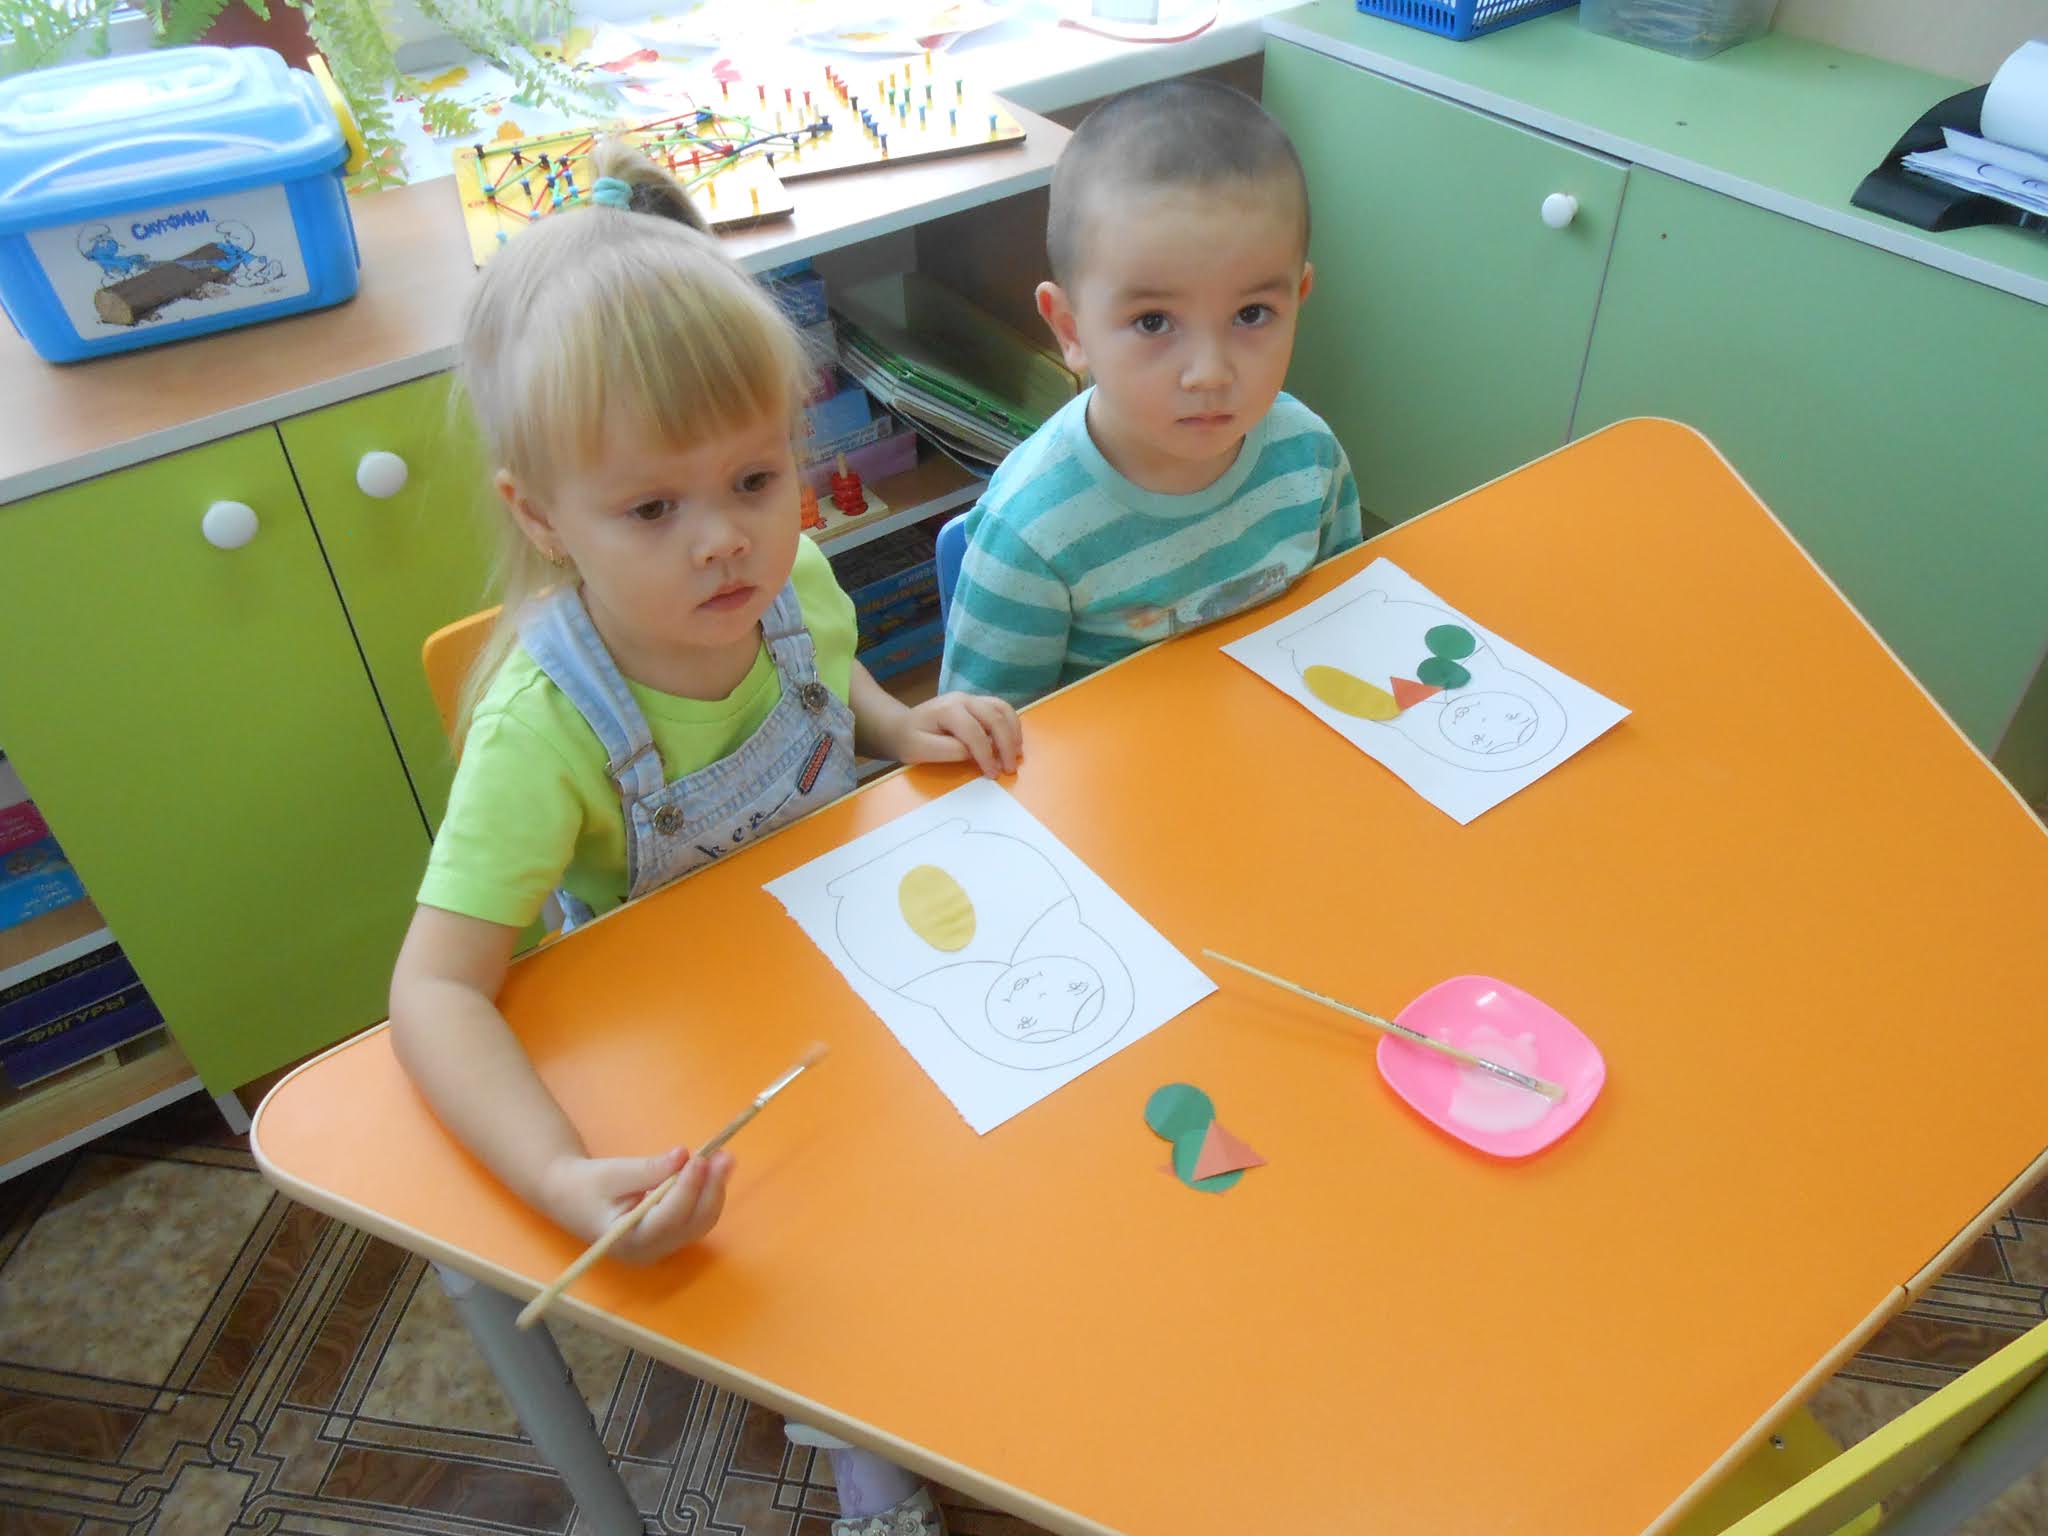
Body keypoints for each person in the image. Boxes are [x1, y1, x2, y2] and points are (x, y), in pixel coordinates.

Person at [391, 139, 1020, 1536]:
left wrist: (896, 723)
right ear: (542, 517)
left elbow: (830, 683)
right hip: (694, 1049)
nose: (726, 543)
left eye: (754, 478)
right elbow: (432, 991)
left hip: (852, 968)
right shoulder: (541, 732)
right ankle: (868, 1450)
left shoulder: (794, 576)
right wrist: (557, 1176)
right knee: (821, 1267)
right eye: (653, 509)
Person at [939, 78, 1363, 705]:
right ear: (1071, 329)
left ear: (1297, 301)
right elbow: (995, 742)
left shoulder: (1310, 455)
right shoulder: (1032, 532)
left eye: (1251, 314)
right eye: (1153, 322)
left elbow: (1348, 620)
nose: (1209, 373)